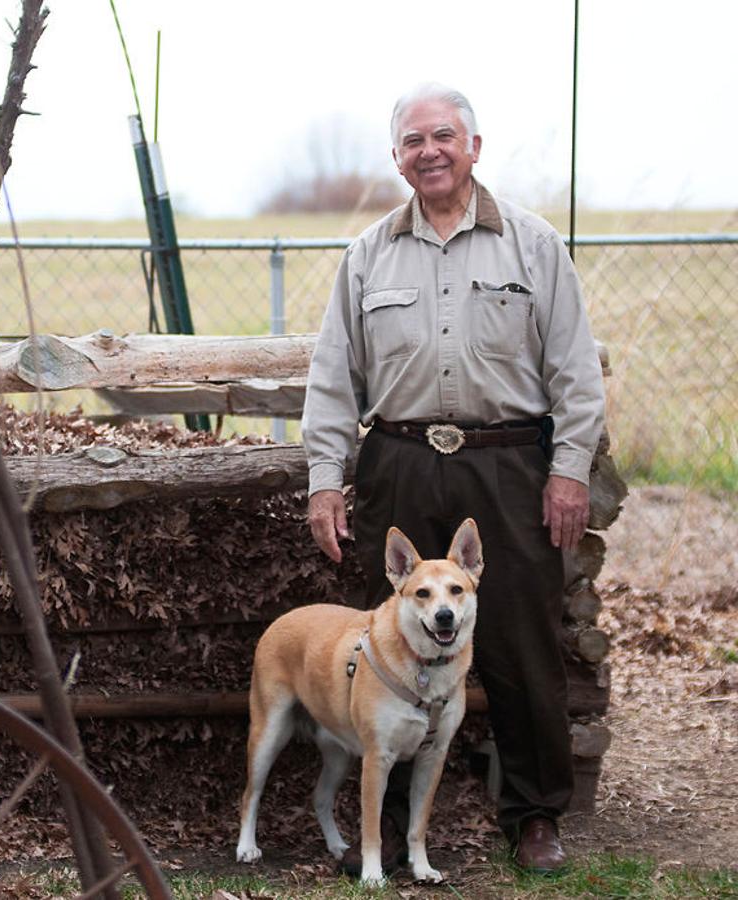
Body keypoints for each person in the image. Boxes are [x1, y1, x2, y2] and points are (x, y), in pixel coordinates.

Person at [301, 82, 605, 874]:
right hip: (399, 463)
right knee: (391, 645)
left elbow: (576, 372)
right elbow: (333, 378)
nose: (429, 151)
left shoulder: (532, 244)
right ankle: (391, 828)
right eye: (413, 141)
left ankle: (534, 816)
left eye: (443, 136)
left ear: (473, 147)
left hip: (506, 465)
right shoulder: (368, 254)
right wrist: (325, 480)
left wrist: (568, 471)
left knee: (521, 645)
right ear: (396, 158)